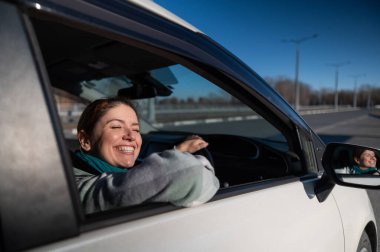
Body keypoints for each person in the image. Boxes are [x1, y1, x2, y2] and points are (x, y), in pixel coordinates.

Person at [73, 97, 220, 214]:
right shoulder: (72, 187)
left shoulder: (95, 167)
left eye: (136, 129)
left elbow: (141, 174)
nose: (131, 136)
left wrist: (178, 151)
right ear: (85, 140)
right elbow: (189, 172)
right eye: (116, 126)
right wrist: (198, 162)